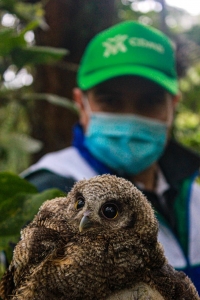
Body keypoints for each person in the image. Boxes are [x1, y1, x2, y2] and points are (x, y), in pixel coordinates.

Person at [22, 21, 200, 292]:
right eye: (111, 101)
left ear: (172, 106)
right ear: (81, 104)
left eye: (149, 102)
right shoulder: (45, 189)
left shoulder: (192, 196)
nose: (131, 117)